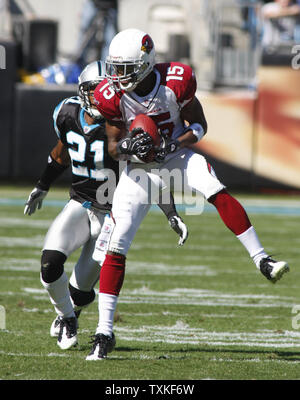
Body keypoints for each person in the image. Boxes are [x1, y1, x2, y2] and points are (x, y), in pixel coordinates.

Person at [86, 28, 290, 360]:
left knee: (214, 187)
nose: (117, 76)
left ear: (146, 62)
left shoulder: (176, 81)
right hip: (139, 168)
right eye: (115, 67)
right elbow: (112, 146)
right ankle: (104, 332)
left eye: (125, 68)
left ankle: (262, 259)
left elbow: (199, 126)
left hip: (176, 156)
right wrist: (128, 145)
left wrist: (173, 143)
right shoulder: (112, 95)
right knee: (117, 241)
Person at [24, 60, 188, 351]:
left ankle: (71, 312)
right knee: (49, 267)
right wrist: (43, 185)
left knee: (80, 291)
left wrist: (170, 211)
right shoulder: (67, 112)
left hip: (112, 215)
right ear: (82, 91)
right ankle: (67, 318)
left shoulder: (123, 125)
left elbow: (149, 173)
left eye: (104, 88)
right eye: (93, 88)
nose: (99, 94)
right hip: (80, 203)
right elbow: (62, 152)